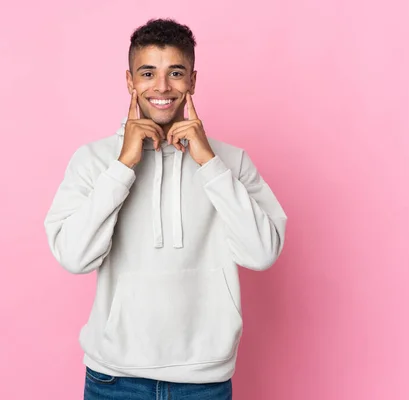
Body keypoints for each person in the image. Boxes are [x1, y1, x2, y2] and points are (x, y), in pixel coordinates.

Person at [44, 18, 287, 400]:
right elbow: (74, 257)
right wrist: (123, 165)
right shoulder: (93, 160)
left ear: (192, 80)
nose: (161, 87)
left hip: (204, 381)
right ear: (129, 81)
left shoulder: (231, 161)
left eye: (175, 72)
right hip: (113, 379)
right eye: (148, 73)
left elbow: (262, 253)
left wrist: (210, 164)